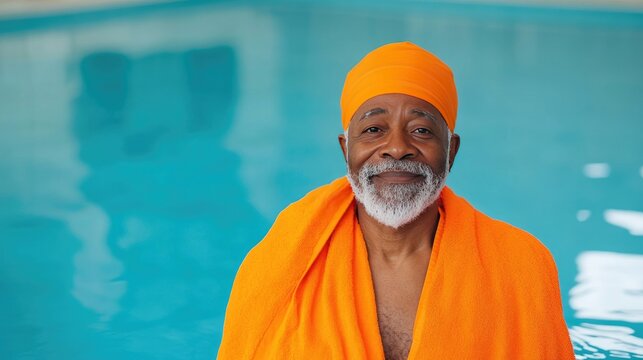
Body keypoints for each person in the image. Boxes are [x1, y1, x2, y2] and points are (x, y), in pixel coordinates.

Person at [218, 41, 575, 360]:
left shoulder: (520, 265)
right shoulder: (280, 263)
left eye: (421, 130)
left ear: (451, 153)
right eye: (374, 130)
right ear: (346, 150)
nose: (398, 148)